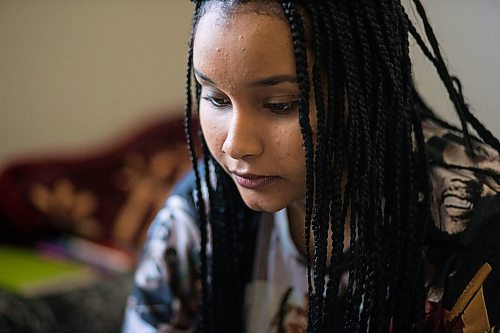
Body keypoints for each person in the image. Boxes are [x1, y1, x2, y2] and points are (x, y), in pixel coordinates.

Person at [122, 0, 500, 332]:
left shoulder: (475, 230)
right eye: (217, 99)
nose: (236, 145)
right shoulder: (201, 215)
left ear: (365, 90)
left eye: (280, 104)